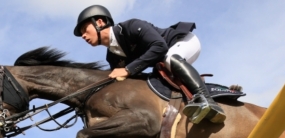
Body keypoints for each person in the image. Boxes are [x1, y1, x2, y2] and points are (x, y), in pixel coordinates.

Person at [74, 5, 225, 124]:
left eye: (84, 30)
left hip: (183, 42)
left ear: (99, 22)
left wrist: (128, 69)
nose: (83, 36)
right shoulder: (112, 57)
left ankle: (206, 100)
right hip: (163, 60)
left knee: (169, 58)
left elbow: (160, 47)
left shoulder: (130, 27)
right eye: (81, 34)